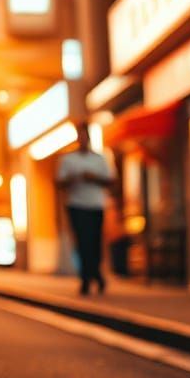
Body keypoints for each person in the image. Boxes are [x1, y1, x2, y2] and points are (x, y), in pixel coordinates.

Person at [56, 122, 115, 295]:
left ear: (88, 137)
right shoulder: (68, 159)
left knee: (95, 242)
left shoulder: (99, 159)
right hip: (76, 204)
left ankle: (94, 273)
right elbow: (59, 183)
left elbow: (110, 181)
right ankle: (86, 278)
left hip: (96, 205)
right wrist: (73, 179)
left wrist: (93, 178)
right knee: (82, 242)